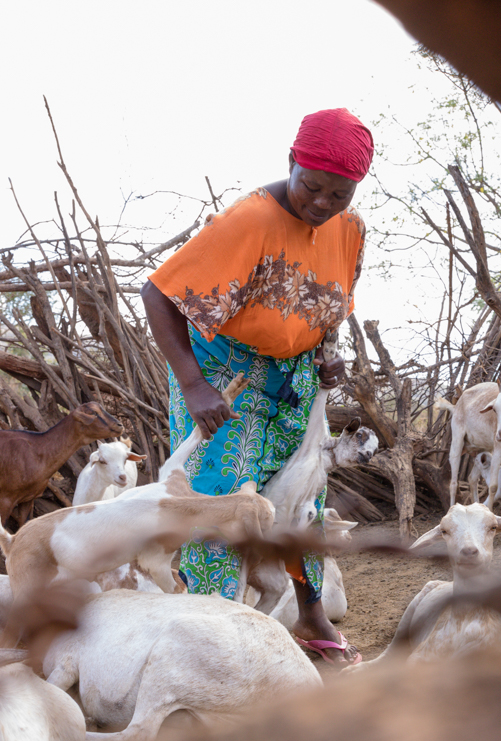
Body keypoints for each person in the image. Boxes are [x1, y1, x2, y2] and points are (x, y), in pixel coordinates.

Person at [141, 108, 372, 665]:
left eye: (337, 194)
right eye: (311, 186)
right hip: (227, 376)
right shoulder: (249, 221)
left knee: (302, 496)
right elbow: (158, 294)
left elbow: (326, 305)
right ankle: (216, 637)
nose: (322, 203)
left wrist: (326, 354)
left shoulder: (350, 230)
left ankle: (311, 616)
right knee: (220, 502)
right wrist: (194, 385)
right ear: (291, 162)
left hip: (293, 380)